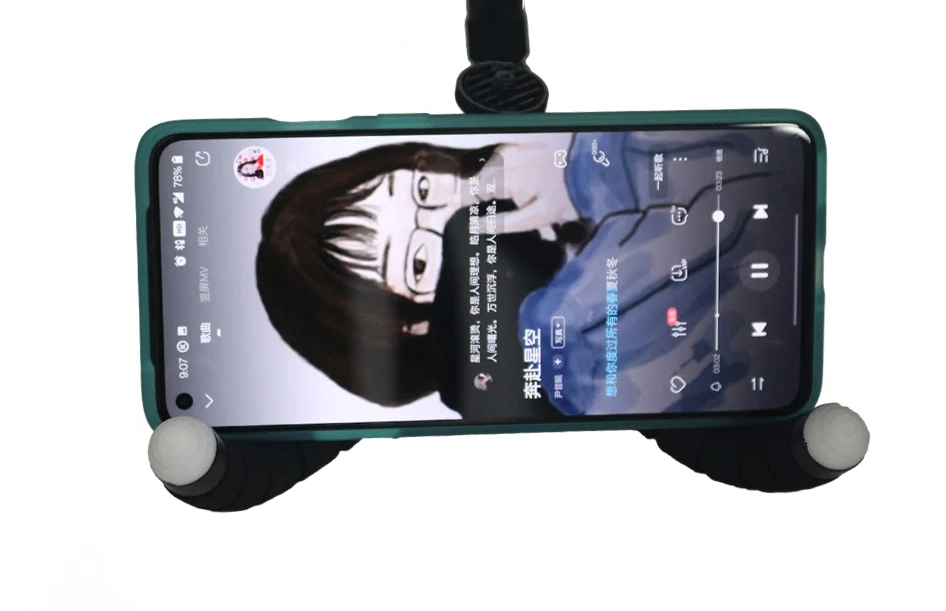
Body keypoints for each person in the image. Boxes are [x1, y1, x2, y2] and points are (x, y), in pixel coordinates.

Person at [256, 131, 763, 416]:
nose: (455, 213)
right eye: (418, 263)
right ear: (416, 325)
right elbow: (731, 228)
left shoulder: (564, 152)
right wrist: (585, 176)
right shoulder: (566, 348)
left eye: (423, 192)